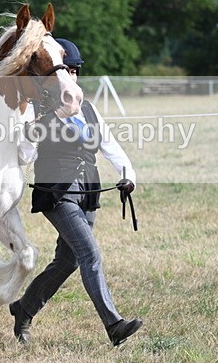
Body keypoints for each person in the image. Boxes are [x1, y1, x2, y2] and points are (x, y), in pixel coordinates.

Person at [10, 37, 143, 347]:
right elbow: (25, 156)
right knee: (89, 253)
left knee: (67, 262)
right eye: (65, 71)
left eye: (73, 71)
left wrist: (128, 176)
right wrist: (30, 134)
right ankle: (114, 324)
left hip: (89, 193)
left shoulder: (88, 109)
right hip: (57, 193)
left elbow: (110, 146)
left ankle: (24, 308)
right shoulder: (37, 110)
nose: (69, 76)